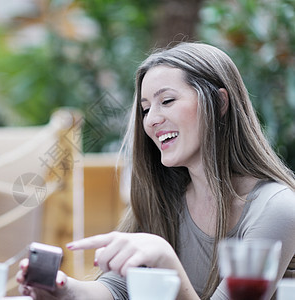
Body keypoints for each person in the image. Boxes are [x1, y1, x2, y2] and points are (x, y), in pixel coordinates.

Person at [16, 42, 295, 299]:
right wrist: (62, 289)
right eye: (145, 109)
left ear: (220, 103)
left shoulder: (276, 207)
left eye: (167, 101)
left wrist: (165, 260)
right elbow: (117, 288)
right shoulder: (165, 197)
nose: (151, 120)